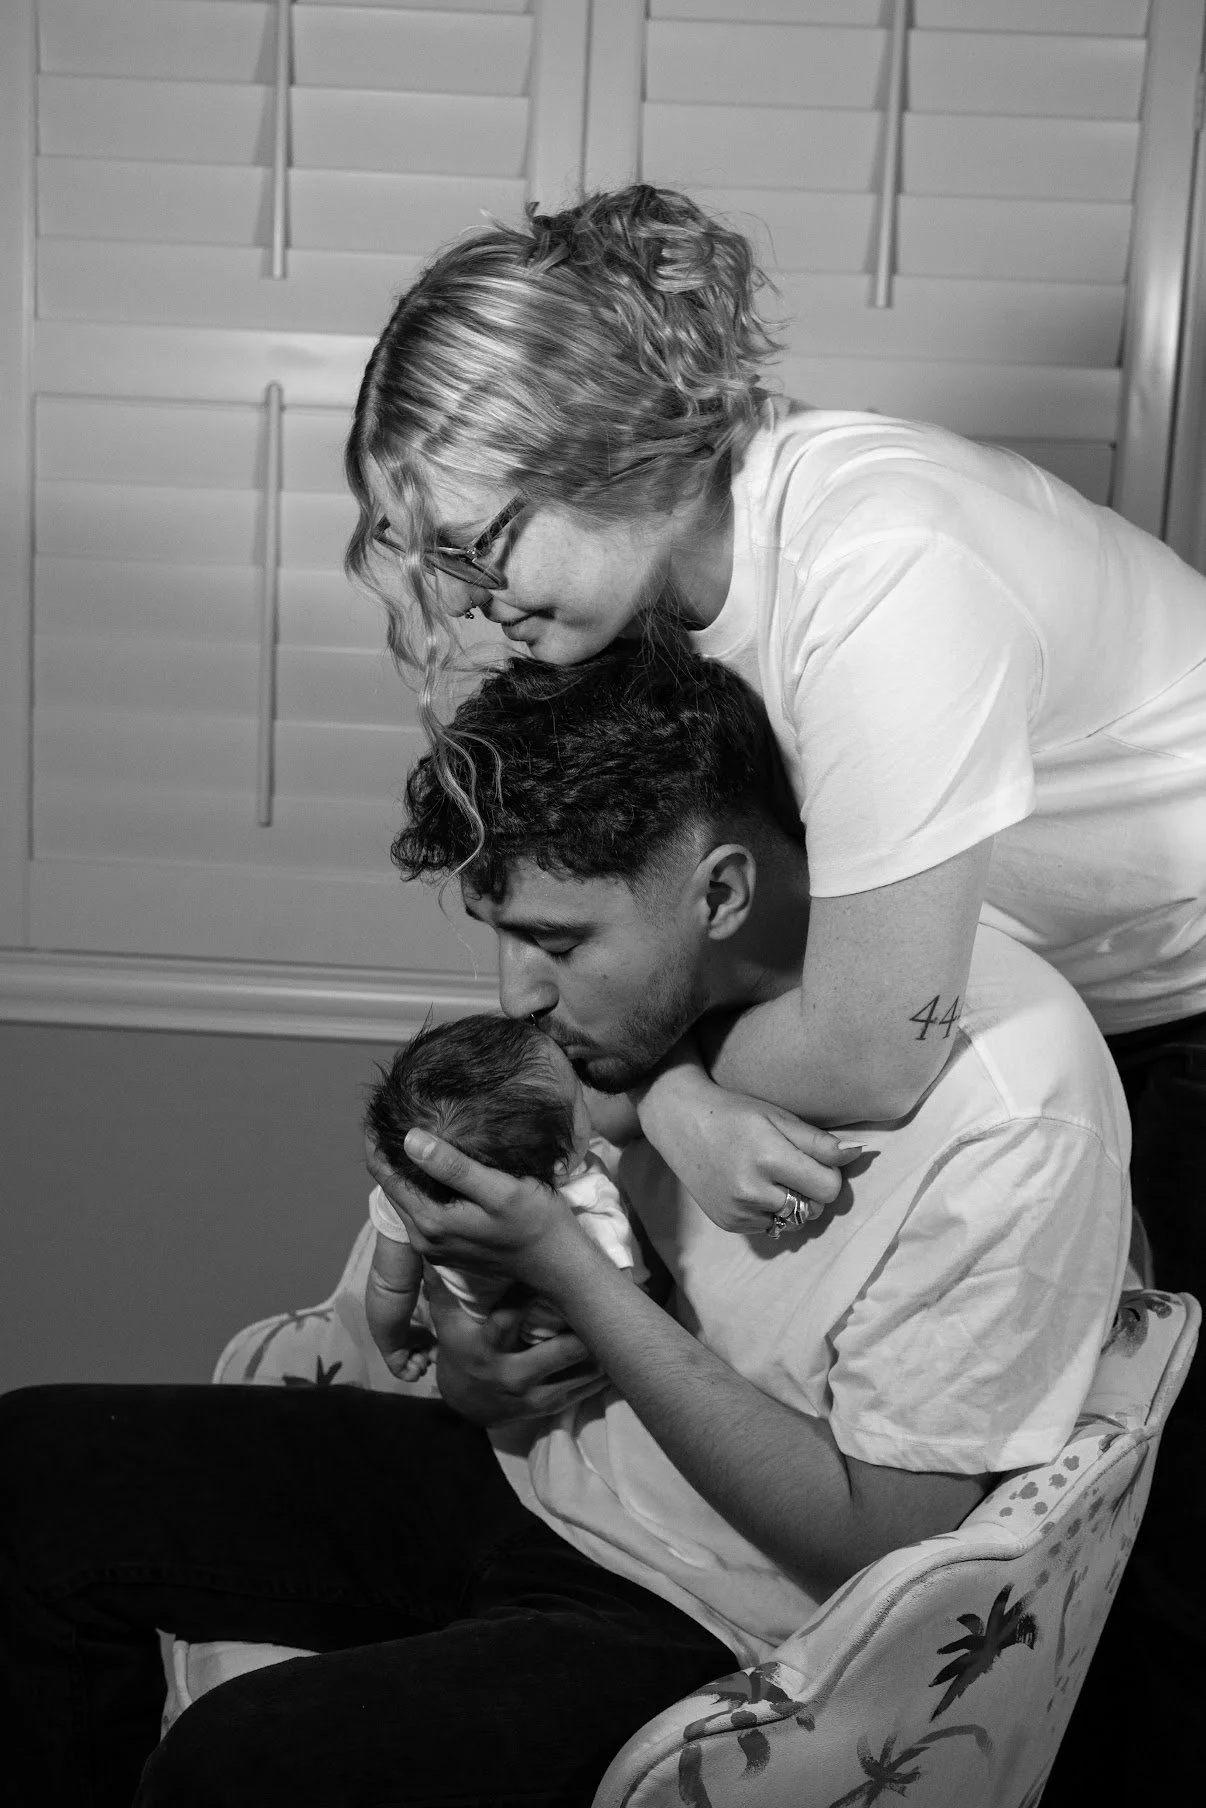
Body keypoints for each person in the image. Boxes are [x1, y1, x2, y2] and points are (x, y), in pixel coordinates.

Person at [343, 184, 1206, 1793]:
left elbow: (869, 1049)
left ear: (614, 444)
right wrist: (658, 1101)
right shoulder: (632, 601)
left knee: (1137, 1591)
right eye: (438, 561)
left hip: (1182, 988)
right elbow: (581, 935)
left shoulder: (882, 570)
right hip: (1011, 966)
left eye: (482, 543)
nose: (471, 602)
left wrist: (660, 1093)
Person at [0, 646, 1132, 1808]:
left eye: (557, 940)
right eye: (505, 933)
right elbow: (493, 1233)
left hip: (709, 1611)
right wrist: (472, 1345)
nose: (517, 993)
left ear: (723, 892)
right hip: (530, 1467)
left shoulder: (1007, 1115)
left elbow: (876, 1542)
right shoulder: (662, 996)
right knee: (31, 1465)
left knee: (238, 1762)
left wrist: (565, 1266)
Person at [364, 1013, 648, 1374]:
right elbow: (628, 1307)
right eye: (578, 1096)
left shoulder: (409, 1200)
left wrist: (395, 1346)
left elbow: (389, 1287)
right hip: (567, 1351)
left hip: (474, 1332)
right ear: (562, 1164)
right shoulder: (588, 1203)